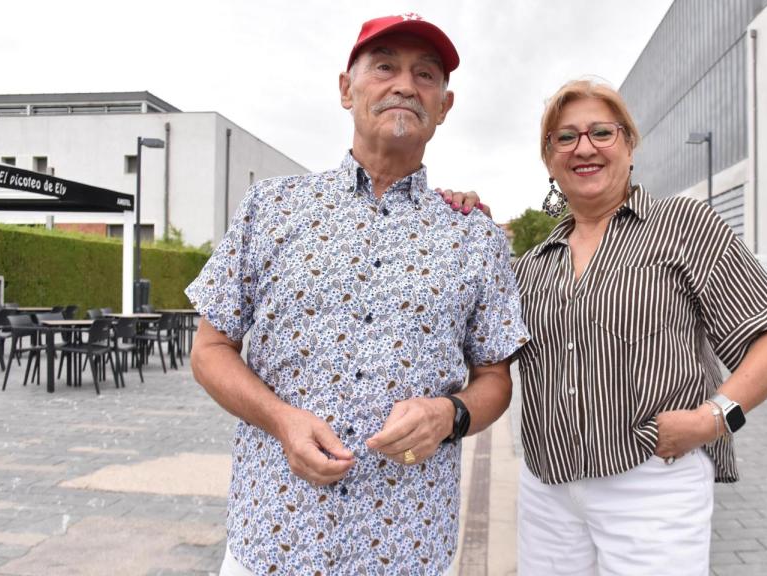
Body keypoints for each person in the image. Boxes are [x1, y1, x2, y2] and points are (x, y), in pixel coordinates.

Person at [185, 13, 529, 575]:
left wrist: (450, 414)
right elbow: (209, 350)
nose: (404, 85)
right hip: (276, 539)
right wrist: (281, 420)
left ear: (444, 105)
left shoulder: (475, 237)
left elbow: (495, 380)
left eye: (425, 74)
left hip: (410, 547)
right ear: (346, 89)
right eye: (385, 67)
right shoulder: (271, 210)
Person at [510, 79, 767, 575]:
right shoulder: (534, 264)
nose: (584, 147)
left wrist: (713, 418)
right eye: (565, 138)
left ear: (629, 144)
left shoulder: (684, 226)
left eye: (601, 132)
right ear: (549, 160)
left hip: (650, 480)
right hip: (547, 489)